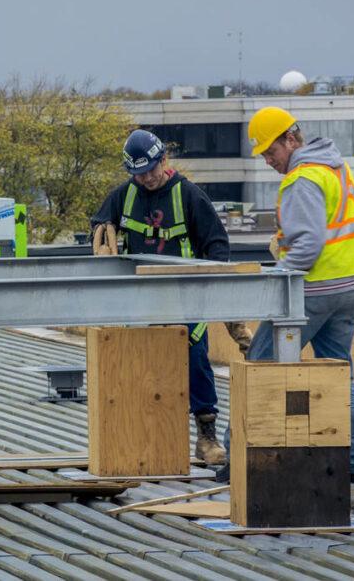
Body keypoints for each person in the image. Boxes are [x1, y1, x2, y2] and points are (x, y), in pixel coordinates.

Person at [218, 106, 354, 485]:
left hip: (313, 291)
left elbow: (308, 245)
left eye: (271, 152)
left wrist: (278, 276)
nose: (269, 161)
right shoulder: (336, 168)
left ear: (291, 139)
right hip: (348, 288)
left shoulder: (301, 179)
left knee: (257, 367)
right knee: (339, 373)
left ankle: (237, 458)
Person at [91, 129, 230, 464]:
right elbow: (99, 226)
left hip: (184, 298)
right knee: (138, 368)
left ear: (163, 161)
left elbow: (217, 244)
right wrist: (100, 236)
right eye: (140, 173)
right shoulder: (123, 197)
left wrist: (210, 287)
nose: (148, 178)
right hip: (141, 300)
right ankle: (141, 439)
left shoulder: (189, 196)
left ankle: (206, 436)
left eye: (152, 170)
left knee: (195, 362)